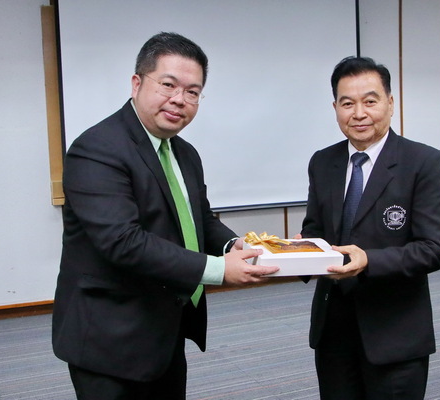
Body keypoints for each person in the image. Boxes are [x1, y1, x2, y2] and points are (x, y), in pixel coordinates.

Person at [52, 32, 278, 400]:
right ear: (137, 83)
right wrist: (219, 269)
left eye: (193, 92)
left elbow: (200, 218)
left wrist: (236, 245)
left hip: (164, 326)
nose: (179, 99)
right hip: (109, 338)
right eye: (168, 85)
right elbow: (123, 242)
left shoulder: (183, 152)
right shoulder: (97, 148)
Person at [300, 56, 440, 399]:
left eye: (370, 101)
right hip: (333, 328)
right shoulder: (323, 161)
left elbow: (433, 249)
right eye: (347, 104)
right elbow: (315, 230)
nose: (359, 113)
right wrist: (297, 251)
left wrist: (368, 260)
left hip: (394, 330)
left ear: (390, 103)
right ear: (335, 108)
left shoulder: (422, 162)